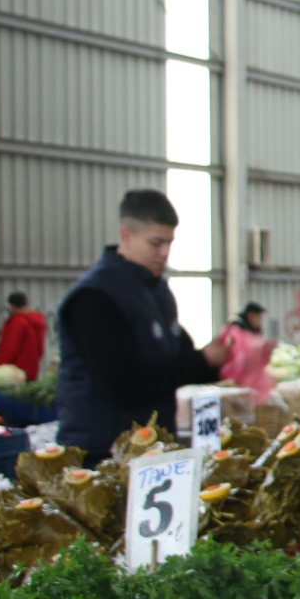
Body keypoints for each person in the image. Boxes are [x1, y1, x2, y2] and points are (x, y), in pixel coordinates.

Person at [55, 189, 231, 463]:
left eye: (169, 243)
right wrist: (203, 359)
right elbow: (122, 384)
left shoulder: (156, 293)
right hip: (103, 453)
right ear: (126, 235)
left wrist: (222, 358)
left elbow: (179, 360)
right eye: (156, 243)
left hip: (150, 448)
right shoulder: (96, 297)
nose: (164, 253)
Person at [0, 291, 47, 380]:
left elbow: (9, 347)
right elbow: (40, 349)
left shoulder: (18, 322)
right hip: (31, 370)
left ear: (12, 306)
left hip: (13, 373)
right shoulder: (37, 320)